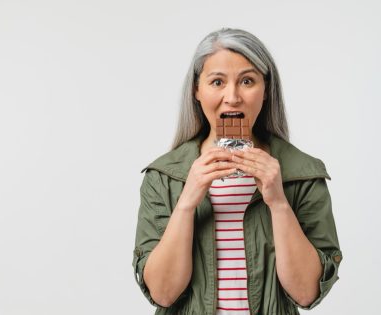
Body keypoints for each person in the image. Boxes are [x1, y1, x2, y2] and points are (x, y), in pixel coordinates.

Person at [132, 27, 342, 315]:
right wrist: (187, 202)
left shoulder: (301, 175)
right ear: (197, 90)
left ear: (266, 89)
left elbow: (306, 293)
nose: (232, 97)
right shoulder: (164, 178)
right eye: (217, 81)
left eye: (247, 80)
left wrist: (278, 202)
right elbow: (163, 294)